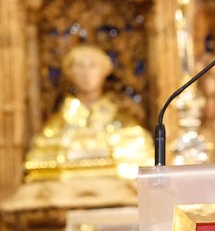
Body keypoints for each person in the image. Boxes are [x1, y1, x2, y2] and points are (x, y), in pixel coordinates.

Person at [23, 44, 153, 181]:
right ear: (70, 73)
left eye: (93, 66)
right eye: (79, 66)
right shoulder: (57, 123)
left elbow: (142, 158)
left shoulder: (124, 121)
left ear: (104, 71)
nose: (86, 73)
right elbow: (37, 161)